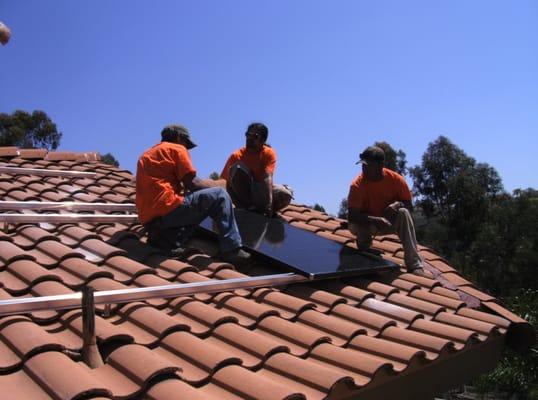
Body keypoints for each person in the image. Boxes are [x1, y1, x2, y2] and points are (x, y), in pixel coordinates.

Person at [136, 124, 250, 263]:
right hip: (168, 209)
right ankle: (232, 249)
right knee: (219, 195)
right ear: (179, 137)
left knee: (189, 202)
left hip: (148, 219)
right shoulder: (177, 148)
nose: (186, 148)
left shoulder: (146, 155)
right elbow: (192, 183)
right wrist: (222, 194)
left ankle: (164, 241)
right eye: (186, 143)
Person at [346, 145, 426, 276]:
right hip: (367, 225)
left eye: (368, 165)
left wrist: (396, 205)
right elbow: (352, 216)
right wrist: (375, 219)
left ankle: (414, 264)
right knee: (358, 222)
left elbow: (409, 204)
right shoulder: (357, 185)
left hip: (389, 223)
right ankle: (365, 249)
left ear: (380, 166)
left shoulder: (396, 180)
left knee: (404, 212)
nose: (364, 169)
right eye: (363, 165)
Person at [220, 122, 293, 217]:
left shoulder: (268, 153)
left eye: (255, 136)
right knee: (237, 168)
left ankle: (262, 211)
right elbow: (227, 184)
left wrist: (269, 205)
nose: (249, 138)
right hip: (242, 197)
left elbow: (267, 178)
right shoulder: (236, 156)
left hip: (260, 192)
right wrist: (236, 205)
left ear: (263, 140)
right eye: (248, 135)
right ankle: (248, 208)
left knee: (285, 194)